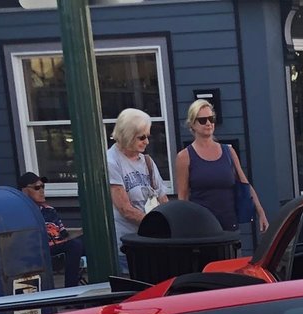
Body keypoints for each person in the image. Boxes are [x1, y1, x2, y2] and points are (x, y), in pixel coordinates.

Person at [172, 102, 267, 234]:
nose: (208, 123)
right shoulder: (184, 156)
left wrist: (261, 213)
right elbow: (183, 196)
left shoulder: (228, 151)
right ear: (192, 124)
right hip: (201, 227)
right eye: (202, 120)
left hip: (229, 225)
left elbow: (245, 185)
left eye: (211, 119)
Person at [106, 108, 169, 260]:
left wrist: (169, 220)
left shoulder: (147, 161)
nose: (147, 142)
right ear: (128, 134)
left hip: (153, 241)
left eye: (147, 136)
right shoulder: (111, 161)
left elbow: (162, 198)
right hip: (128, 244)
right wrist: (155, 225)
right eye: (141, 137)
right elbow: (125, 209)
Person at [20, 172, 84, 287]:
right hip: (40, 250)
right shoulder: (22, 212)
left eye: (43, 186)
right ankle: (71, 289)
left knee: (90, 240)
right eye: (37, 187)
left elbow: (64, 234)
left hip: (59, 246)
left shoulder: (49, 210)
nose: (42, 190)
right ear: (24, 191)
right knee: (74, 246)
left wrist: (82, 232)